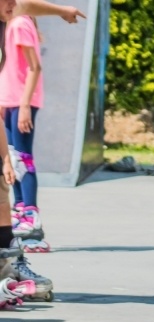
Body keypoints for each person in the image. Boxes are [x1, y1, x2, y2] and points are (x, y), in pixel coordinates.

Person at [0, 0, 83, 304]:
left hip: (14, 102)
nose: (13, 7)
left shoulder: (17, 18)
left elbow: (25, 7)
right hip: (8, 100)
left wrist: (63, 11)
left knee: (14, 166)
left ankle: (22, 238)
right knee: (12, 164)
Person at [0, 11, 49, 252]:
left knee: (23, 158)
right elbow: (8, 68)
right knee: (12, 157)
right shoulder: (9, 25)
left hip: (21, 102)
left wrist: (25, 105)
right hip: (10, 101)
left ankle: (31, 215)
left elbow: (34, 67)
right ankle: (20, 210)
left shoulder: (19, 23)